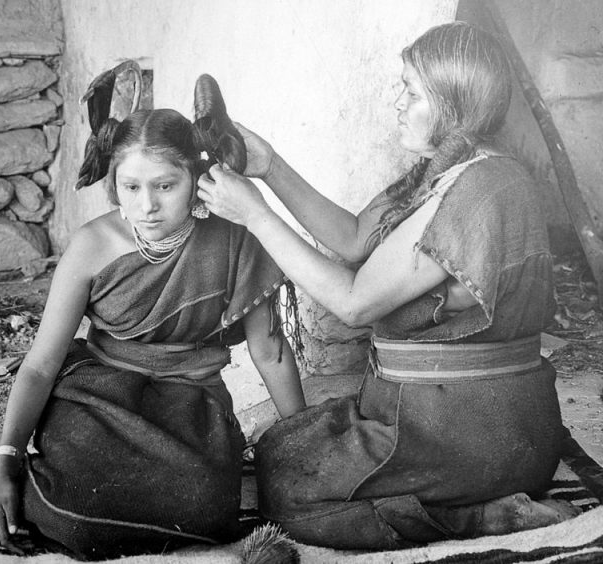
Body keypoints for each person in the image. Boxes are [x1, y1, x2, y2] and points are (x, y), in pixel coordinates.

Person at [196, 21, 578, 549]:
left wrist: (255, 216)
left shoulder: (480, 189)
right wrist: (270, 167)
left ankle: (482, 518)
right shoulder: (448, 167)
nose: (398, 102)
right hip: (459, 413)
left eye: (412, 91)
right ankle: (461, 498)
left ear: (453, 103)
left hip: (477, 431)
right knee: (281, 444)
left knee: (289, 491)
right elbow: (355, 238)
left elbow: (354, 303)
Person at [0, 90, 305, 556]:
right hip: (101, 394)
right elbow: (42, 364)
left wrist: (303, 443)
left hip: (192, 397)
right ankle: (6, 472)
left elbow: (270, 351)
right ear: (114, 184)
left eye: (166, 186)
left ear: (197, 177)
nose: (147, 205)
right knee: (81, 517)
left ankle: (38, 485)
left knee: (206, 511)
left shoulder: (234, 238)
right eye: (131, 187)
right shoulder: (92, 245)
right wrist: (7, 451)